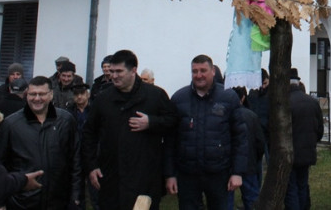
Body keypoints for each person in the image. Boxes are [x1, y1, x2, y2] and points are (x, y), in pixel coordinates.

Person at [82, 49, 179, 210]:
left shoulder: (155, 95)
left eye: (119, 71)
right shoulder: (103, 99)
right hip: (111, 176)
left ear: (134, 70)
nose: (114, 76)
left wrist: (152, 122)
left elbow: (173, 123)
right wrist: (91, 166)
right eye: (112, 71)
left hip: (145, 176)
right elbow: (89, 134)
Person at [165, 54, 249, 210]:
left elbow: (240, 138)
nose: (199, 75)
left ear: (213, 72)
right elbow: (170, 140)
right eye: (194, 71)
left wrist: (237, 172)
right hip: (187, 174)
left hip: (218, 173)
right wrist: (170, 174)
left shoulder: (228, 97)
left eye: (203, 70)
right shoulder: (178, 98)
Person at [0, 76, 82, 209]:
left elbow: (76, 160)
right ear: (26, 95)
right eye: (32, 94)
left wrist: (76, 195)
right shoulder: (11, 124)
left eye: (42, 94)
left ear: (51, 94)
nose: (37, 98)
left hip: (59, 201)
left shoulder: (66, 121)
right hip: (22, 202)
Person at [285, 68, 323, 210]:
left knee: (292, 187)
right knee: (302, 184)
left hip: (290, 152)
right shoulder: (312, 102)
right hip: (307, 151)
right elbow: (320, 129)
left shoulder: (285, 103)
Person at [232, 86, 266, 210]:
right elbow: (260, 142)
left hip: (229, 164)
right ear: (243, 98)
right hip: (249, 162)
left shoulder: (224, 114)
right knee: (252, 199)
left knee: (227, 200)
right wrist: (256, 158)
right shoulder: (251, 115)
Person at [67, 82, 96, 210]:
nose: (79, 97)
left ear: (87, 95)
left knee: (95, 188)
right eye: (76, 94)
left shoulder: (95, 110)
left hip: (92, 152)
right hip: (75, 152)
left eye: (82, 94)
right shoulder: (69, 112)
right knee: (77, 189)